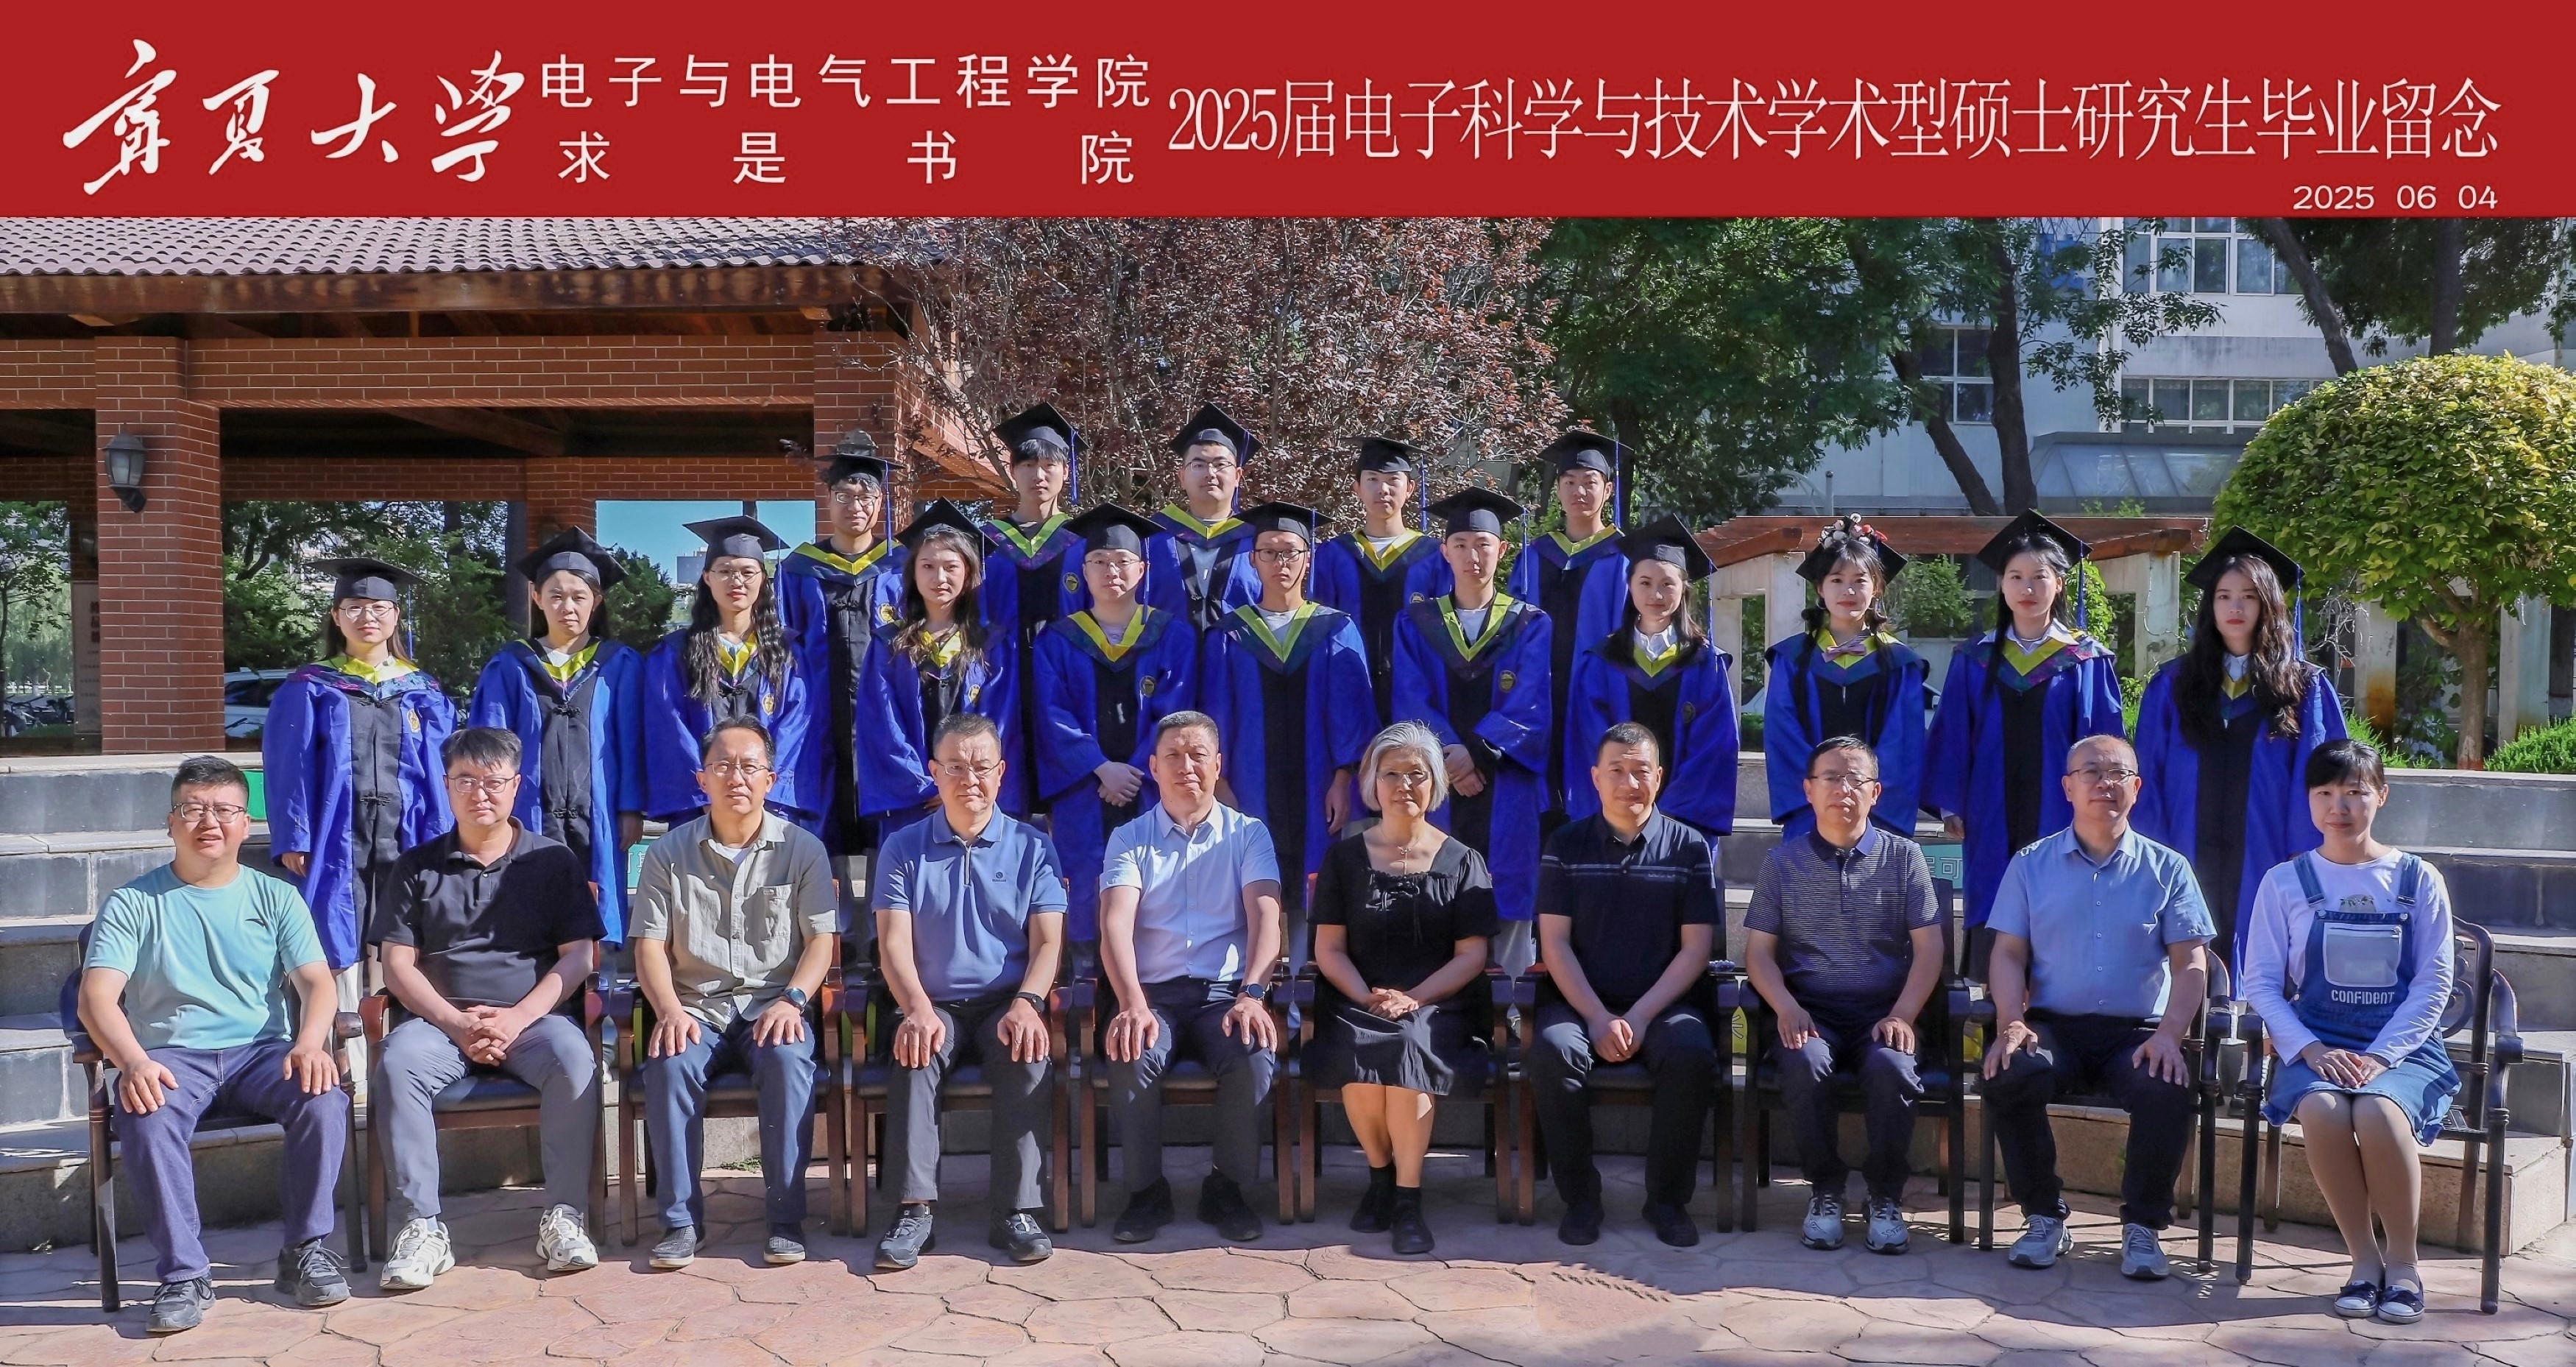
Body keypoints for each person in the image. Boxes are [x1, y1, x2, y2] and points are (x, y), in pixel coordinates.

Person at [77, 756, 350, 1335]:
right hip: (170, 1057)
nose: (210, 822)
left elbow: (317, 982)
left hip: (262, 1052)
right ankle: (184, 1274)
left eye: (225, 810)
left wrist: (310, 1043)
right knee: (145, 1109)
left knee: (324, 1098)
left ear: (245, 823)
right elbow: (96, 999)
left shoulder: (277, 896)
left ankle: (304, 1250)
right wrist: (133, 1061)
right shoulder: (134, 902)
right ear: (170, 822)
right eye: (193, 809)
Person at [371, 727, 604, 1289]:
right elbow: (397, 965)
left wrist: (517, 1017)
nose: (481, 793)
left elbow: (579, 957)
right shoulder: (416, 866)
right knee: (398, 1062)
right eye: (466, 781)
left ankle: (564, 1216)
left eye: (494, 781)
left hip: (533, 1021)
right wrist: (456, 1022)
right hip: (439, 1024)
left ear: (516, 785)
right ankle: (422, 1228)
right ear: (446, 786)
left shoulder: (553, 861)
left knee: (574, 1057)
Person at [1980, 734, 2212, 1282]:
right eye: (2091, 772)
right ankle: (2043, 1215)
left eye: (2117, 774)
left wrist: (2170, 1035)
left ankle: (2143, 1227)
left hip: (2137, 1033)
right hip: (2053, 1028)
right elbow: (2008, 953)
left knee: (2166, 1086)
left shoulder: (2168, 868)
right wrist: (2011, 1022)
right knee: (2011, 1072)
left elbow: (2192, 963)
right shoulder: (2031, 864)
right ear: (2068, 786)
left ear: (2137, 787)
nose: (2104, 783)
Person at [2240, 739, 2458, 1325]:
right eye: (2325, 792)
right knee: (2324, 1108)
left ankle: (2404, 1264)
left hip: (2403, 1046)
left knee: (2380, 1112)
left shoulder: (2418, 877)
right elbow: (2260, 981)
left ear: (2381, 796)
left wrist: (2384, 1056)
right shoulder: (2284, 881)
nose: (2339, 806)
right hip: (2316, 1041)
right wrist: (2309, 1048)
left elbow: (2434, 981)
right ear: (2309, 800)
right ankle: (2363, 1259)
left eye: (2355, 791)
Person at [631, 717, 839, 1271]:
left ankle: (786, 1219)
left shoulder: (803, 849)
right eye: (722, 766)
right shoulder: (667, 853)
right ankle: (680, 1222)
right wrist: (668, 1010)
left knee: (788, 1061)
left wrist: (793, 1000)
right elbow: (649, 946)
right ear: (702, 778)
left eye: (749, 766)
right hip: (695, 1006)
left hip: (774, 1005)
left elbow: (821, 941)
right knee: (670, 1063)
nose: (736, 778)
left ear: (771, 778)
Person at [868, 713, 1067, 1271]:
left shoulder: (1033, 846)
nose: (969, 778)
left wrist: (1028, 1004)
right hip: (931, 1001)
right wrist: (916, 1008)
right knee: (915, 1051)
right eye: (955, 767)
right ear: (934, 773)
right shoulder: (903, 847)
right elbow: (892, 944)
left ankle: (1016, 1211)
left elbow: (1049, 941)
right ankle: (914, 1211)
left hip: (1007, 1001)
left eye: (981, 766)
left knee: (1027, 1052)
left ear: (1001, 772)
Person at [1742, 737, 1943, 1256]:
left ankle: (1885, 1195)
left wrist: (1904, 1014)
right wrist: (1786, 1006)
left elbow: (1930, 949)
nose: (1843, 789)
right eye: (1831, 777)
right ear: (1808, 789)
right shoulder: (1781, 863)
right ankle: (1826, 1190)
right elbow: (1758, 953)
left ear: (1876, 792)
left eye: (1856, 779)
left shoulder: (1905, 858)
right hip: (1811, 1011)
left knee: (1892, 1067)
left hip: (1884, 1012)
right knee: (1804, 1061)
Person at [1527, 723, 1723, 1249]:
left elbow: (1696, 950)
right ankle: (1581, 1199)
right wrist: (1596, 1016)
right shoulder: (1566, 844)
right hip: (1579, 1001)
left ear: (1659, 777)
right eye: (1616, 770)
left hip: (1663, 1003)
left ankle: (1667, 1201)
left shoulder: (1689, 847)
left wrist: (1638, 1016)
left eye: (1640, 770)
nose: (1629, 782)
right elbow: (1554, 943)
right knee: (1552, 1051)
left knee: (1691, 1054)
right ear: (1595, 777)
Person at [1307, 722, 1498, 1256]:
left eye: (1418, 774)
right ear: (1372, 782)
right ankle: (1381, 1178)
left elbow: (1472, 955)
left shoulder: (1463, 861)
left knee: (1409, 1044)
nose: (1404, 785)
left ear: (1436, 784)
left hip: (1439, 1004)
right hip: (1357, 998)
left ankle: (1409, 1199)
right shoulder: (1345, 859)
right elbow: (1329, 949)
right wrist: (1365, 995)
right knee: (1359, 1047)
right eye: (1391, 774)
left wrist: (1415, 998)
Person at [1097, 711, 1286, 1243]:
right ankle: (1146, 1193)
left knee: (1252, 1052)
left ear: (1218, 764)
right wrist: (1131, 1002)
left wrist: (1253, 994)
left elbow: (1266, 919)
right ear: (1154, 767)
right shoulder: (1129, 838)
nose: (1186, 766)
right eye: (1173, 756)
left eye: (1198, 754)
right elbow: (1115, 924)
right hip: (1151, 995)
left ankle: (1227, 1189)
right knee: (1131, 1050)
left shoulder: (1248, 835)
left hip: (1225, 996)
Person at [2134, 528, 2347, 970]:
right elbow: (2148, 776)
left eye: (2248, 597)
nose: (2235, 608)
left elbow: (2324, 775)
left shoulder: (2303, 687)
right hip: (2183, 847)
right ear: (2209, 606)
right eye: (2224, 596)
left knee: (2265, 953)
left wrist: (2304, 852)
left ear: (2268, 605)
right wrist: (2152, 848)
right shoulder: (2174, 685)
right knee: (2186, 952)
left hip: (2268, 848)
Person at [1924, 511, 2126, 951]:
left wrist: (2101, 800)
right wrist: (1952, 802)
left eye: (2039, 577)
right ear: (2002, 585)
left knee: (2060, 900)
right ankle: (1994, 990)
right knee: (1994, 896)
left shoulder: (2086, 660)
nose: (2027, 589)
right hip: (1989, 804)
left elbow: (2103, 740)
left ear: (2060, 584)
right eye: (2016, 577)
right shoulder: (1974, 658)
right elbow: (1954, 732)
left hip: (2062, 805)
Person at [1202, 501, 1375, 963]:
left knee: (1315, 881)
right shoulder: (1229, 634)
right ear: (1253, 560)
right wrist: (1220, 783)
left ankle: (1307, 983)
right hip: (1247, 783)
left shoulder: (1335, 628)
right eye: (1269, 552)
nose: (1280, 562)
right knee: (1253, 878)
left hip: (1318, 782)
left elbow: (1351, 714)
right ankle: (1255, 983)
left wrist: (1343, 780)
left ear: (1307, 559)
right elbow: (1216, 714)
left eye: (1290, 552)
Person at [264, 557, 456, 971]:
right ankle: (341, 1014)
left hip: (407, 828)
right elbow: (289, 770)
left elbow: (440, 773)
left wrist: (443, 832)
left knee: (407, 930)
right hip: (336, 828)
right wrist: (295, 837)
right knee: (334, 926)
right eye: (354, 608)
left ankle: (396, 1010)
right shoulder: (311, 687)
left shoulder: (422, 691)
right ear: (336, 617)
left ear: (396, 615)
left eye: (378, 608)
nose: (367, 617)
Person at [1390, 489, 1551, 970]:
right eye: (1460, 544)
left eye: (1483, 544)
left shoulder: (1529, 624)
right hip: (1436, 786)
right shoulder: (1416, 624)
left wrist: (1477, 752)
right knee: (1435, 902)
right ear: (1444, 551)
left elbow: (1532, 700)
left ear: (1503, 550)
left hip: (1508, 785)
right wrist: (1450, 756)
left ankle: (1513, 1005)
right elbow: (1410, 698)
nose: (1472, 556)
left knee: (1509, 904)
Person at [1029, 504, 1197, 960]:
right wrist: (1101, 768)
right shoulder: (1057, 641)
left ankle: (1155, 978)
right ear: (1083, 572)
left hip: (1150, 786)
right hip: (1083, 789)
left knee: (1154, 879)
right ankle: (1085, 977)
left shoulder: (1172, 636)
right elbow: (1051, 714)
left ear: (1142, 570)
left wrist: (1136, 769)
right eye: (1099, 562)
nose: (1111, 571)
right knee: (1084, 878)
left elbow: (1176, 714)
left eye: (1122, 561)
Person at [467, 528, 645, 942]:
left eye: (579, 596)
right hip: (528, 810)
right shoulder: (510, 665)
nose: (568, 606)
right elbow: (490, 744)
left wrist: (631, 808)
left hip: (600, 811)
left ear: (596, 601)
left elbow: (633, 741)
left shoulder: (618, 664)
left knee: (596, 916)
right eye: (556, 595)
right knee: (527, 913)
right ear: (537, 597)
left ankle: (596, 979)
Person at [778, 435, 908, 956]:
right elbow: (784, 645)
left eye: (866, 496)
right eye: (844, 495)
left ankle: (879, 928)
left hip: (883, 716)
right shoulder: (798, 568)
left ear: (881, 503)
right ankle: (832, 928)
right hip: (817, 716)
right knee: (823, 809)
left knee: (884, 810)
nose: (856, 506)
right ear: (827, 500)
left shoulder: (901, 566)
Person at [1564, 515, 1741, 841]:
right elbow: (1589, 739)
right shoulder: (1602, 661)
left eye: (1667, 584)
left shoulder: (1705, 663)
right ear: (1629, 586)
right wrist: (1624, 806)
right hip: (1614, 820)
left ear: (1683, 590)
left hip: (1683, 825)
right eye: (1645, 583)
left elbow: (1714, 748)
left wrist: (1667, 816)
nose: (1655, 594)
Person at [642, 517, 815, 831]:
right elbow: (669, 728)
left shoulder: (788, 652)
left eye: (748, 572)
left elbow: (797, 726)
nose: (737, 581)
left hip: (770, 807)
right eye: (724, 571)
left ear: (763, 579)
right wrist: (709, 792)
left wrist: (762, 788)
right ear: (707, 578)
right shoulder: (676, 652)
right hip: (700, 810)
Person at [857, 499, 1024, 826]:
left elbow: (1000, 721)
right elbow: (881, 724)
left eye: (951, 567)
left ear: (969, 572)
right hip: (914, 802)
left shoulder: (992, 643)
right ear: (912, 573)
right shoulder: (889, 644)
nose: (939, 577)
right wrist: (926, 784)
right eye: (928, 566)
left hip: (975, 795)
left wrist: (960, 780)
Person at [1763, 516, 1929, 841]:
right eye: (1837, 580)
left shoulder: (1899, 664)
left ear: (1876, 587)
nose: (1848, 591)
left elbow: (1903, 744)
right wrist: (1821, 792)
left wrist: (1862, 794)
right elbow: (1782, 736)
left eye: (1860, 580)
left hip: (1876, 814)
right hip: (1809, 811)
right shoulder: (1792, 659)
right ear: (1820, 588)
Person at [1504, 428, 1630, 833]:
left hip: (1595, 701)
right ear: (1558, 490)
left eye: (1590, 482)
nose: (1579, 491)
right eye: (1570, 482)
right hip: (1536, 699)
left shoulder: (1623, 559)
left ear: (1608, 490)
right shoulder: (1533, 557)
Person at [1312, 436, 1453, 725]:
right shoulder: (1333, 556)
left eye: (1393, 480)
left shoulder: (1434, 557)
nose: (1383, 489)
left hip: (1416, 697)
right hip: (1348, 694)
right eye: (1372, 479)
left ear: (1410, 488)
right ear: (1357, 488)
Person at [1144, 403, 1264, 636]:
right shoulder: (1152, 540)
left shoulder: (1260, 542)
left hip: (1239, 657)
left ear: (1238, 476)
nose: (1210, 473)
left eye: (1220, 465)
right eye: (1198, 465)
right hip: (1168, 657)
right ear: (1182, 477)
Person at [980, 403, 1087, 660]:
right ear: (1013, 471)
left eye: (1049, 465)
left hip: (1067, 666)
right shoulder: (985, 540)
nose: (1038, 475)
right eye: (1028, 465)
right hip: (1001, 667)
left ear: (1066, 471)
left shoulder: (1083, 540)